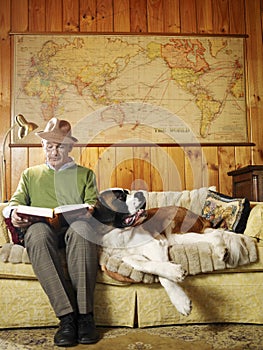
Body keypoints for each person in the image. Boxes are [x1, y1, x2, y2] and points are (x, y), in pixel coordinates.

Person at [3, 118, 100, 347]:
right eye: (50, 146)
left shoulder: (84, 174)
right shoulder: (30, 174)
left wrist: (90, 211)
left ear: (69, 147)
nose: (54, 151)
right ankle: (67, 318)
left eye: (60, 146)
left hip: (74, 229)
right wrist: (14, 212)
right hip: (42, 230)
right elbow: (14, 203)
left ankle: (85, 317)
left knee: (83, 229)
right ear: (43, 147)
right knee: (36, 233)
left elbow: (92, 203)